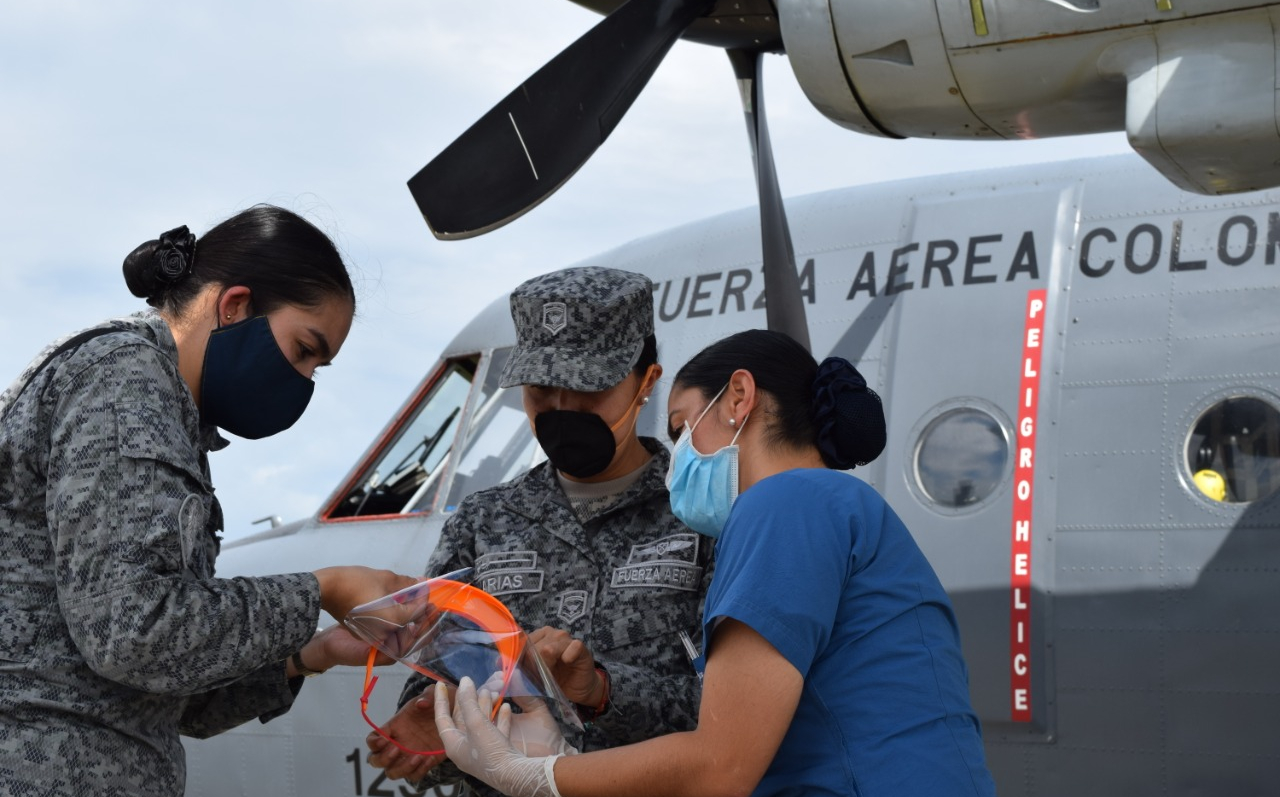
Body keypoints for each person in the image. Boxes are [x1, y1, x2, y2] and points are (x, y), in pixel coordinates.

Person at [433, 328, 999, 797]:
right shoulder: (833, 505)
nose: (676, 458)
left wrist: (529, 775)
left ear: (738, 398)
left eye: (680, 429)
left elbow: (720, 766)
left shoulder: (783, 503)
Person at [0, 206, 416, 797]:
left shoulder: (168, 409)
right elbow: (132, 633)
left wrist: (313, 652)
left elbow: (167, 691)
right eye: (303, 350)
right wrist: (326, 588)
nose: (303, 382)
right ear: (235, 306)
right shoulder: (126, 382)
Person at [365, 266, 712, 794]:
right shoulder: (483, 522)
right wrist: (430, 726)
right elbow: (428, 683)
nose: (562, 410)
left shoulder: (700, 518)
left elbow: (732, 716)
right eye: (542, 391)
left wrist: (601, 692)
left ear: (646, 382)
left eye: (586, 389)